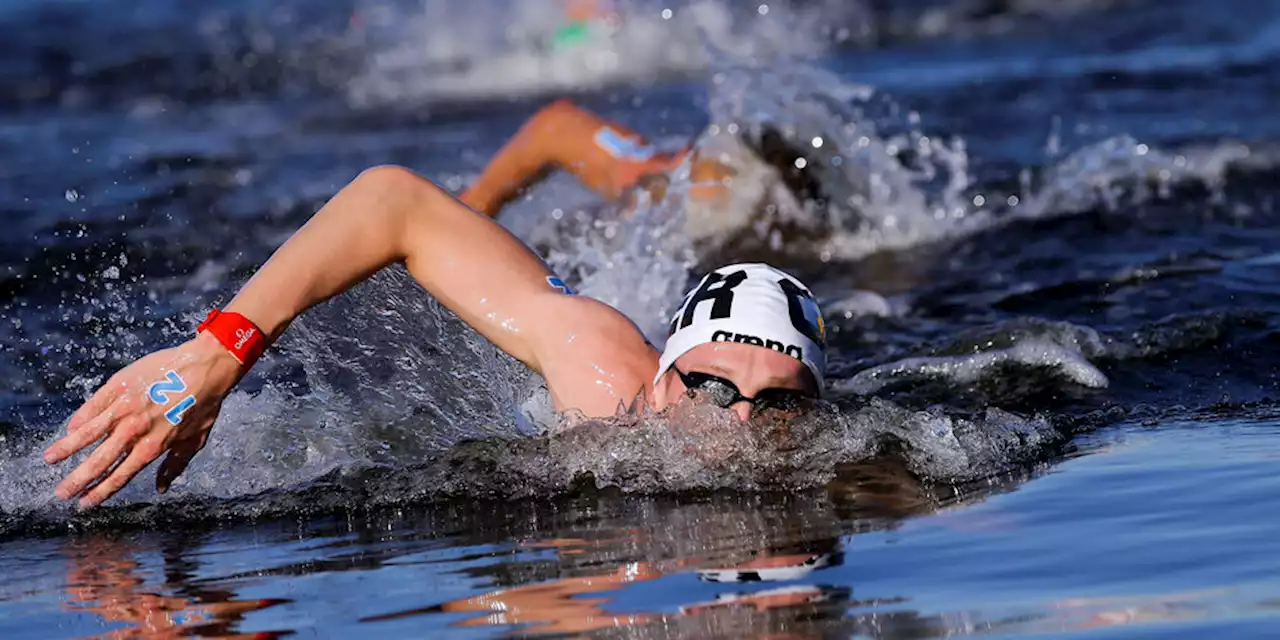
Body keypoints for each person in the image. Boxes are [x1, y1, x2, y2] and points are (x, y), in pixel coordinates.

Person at [43, 165, 828, 509]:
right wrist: (216, 353)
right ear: (662, 376)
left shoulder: (843, 465)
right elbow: (392, 203)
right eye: (713, 388)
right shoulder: (598, 367)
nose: (739, 425)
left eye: (780, 406)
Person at [458, 99, 838, 256]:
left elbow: (556, 126)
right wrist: (472, 209)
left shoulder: (687, 190)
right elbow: (555, 126)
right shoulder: (668, 182)